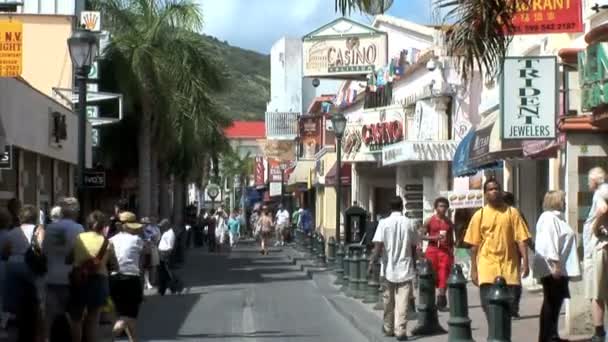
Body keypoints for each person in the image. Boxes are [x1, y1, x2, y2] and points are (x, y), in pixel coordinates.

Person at [464, 178, 531, 325]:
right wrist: (474, 271)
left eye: (496, 188)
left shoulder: (512, 213)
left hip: (509, 267)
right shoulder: (479, 215)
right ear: (485, 194)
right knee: (489, 306)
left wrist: (525, 262)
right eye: (490, 189)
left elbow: (521, 239)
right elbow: (474, 246)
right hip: (487, 266)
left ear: (500, 191)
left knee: (510, 307)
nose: (494, 191)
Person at [533, 190, 581, 342]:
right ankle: (547, 336)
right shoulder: (548, 218)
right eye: (563, 200)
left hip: (560, 267)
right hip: (553, 268)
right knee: (551, 302)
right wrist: (555, 264)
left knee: (555, 302)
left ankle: (552, 334)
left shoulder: (557, 218)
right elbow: (549, 242)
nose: (565, 203)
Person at [369, 197, 419, 341]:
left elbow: (378, 246)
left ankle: (388, 328)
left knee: (388, 300)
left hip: (388, 268)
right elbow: (414, 246)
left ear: (389, 208)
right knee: (402, 301)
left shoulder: (383, 223)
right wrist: (414, 265)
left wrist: (372, 263)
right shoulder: (410, 223)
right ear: (402, 207)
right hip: (406, 267)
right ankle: (400, 331)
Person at [69, 210, 118, 342]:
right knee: (93, 319)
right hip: (99, 280)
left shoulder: (78, 238)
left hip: (78, 279)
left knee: (76, 318)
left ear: (88, 224)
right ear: (103, 226)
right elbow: (112, 264)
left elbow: (69, 258)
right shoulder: (107, 242)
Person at [42, 197, 85, 339]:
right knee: (75, 320)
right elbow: (80, 254)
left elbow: (44, 251)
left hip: (51, 277)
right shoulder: (78, 228)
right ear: (75, 212)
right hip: (71, 279)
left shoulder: (50, 228)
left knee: (49, 318)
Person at [1, 205, 45, 342]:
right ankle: (37, 333)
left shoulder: (12, 232)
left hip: (13, 266)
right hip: (31, 266)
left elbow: (5, 252)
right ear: (35, 217)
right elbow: (42, 248)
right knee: (37, 300)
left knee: (19, 300)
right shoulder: (39, 230)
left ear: (20, 217)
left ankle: (21, 330)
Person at [110, 212, 145, 342]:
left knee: (122, 314)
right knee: (129, 316)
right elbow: (143, 259)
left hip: (114, 279)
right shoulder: (137, 240)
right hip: (131, 278)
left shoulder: (112, 240)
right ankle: (107, 337)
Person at [584, 167, 608, 342]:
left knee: (597, 292)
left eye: (588, 180)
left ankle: (599, 333)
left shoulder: (600, 192)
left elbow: (603, 209)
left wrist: (594, 226)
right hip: (601, 246)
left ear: (594, 180)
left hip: (600, 247)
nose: (587, 183)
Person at [502, 191, 533, 318]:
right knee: (513, 280)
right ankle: (512, 308)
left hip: (512, 251)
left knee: (512, 279)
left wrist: (531, 247)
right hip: (510, 251)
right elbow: (526, 234)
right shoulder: (514, 212)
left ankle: (511, 308)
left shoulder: (515, 213)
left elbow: (523, 234)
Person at [421, 197, 454, 311]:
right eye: (440, 206)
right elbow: (421, 235)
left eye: (445, 206)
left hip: (445, 251)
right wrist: (434, 237)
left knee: (444, 273)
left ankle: (441, 300)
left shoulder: (449, 222)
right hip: (432, 250)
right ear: (436, 208)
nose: (443, 208)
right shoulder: (429, 220)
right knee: (432, 274)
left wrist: (452, 252)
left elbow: (451, 239)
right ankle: (429, 300)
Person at [157, 219, 182, 295]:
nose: (161, 227)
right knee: (163, 273)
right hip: (162, 253)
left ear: (167, 225)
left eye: (162, 226)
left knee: (167, 273)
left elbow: (170, 247)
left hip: (165, 254)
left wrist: (166, 256)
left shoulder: (170, 234)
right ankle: (163, 289)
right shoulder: (166, 232)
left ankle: (176, 286)